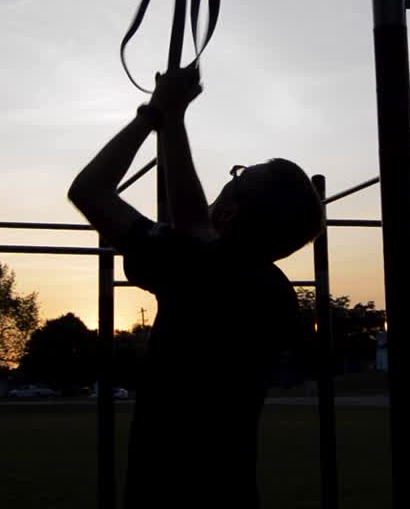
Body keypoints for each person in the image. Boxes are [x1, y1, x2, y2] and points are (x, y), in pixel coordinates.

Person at [68, 65, 324, 508]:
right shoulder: (275, 294)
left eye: (238, 177)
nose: (229, 178)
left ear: (230, 213)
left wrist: (156, 115)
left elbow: (90, 190)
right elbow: (190, 228)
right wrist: (170, 117)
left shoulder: (197, 268)